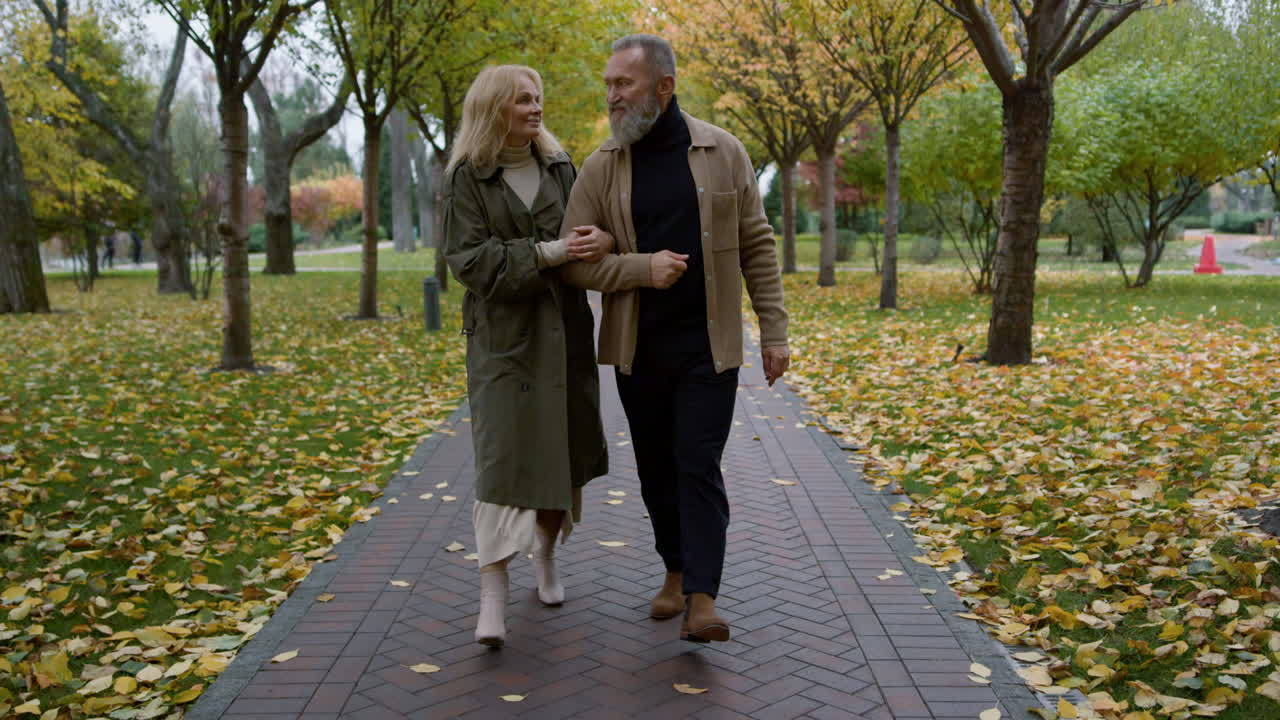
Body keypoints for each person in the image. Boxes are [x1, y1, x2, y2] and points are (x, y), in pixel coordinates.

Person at [558, 34, 790, 644]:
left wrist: (774, 330)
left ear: (664, 86)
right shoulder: (602, 165)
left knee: (697, 462)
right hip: (639, 347)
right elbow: (573, 262)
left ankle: (703, 599)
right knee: (658, 468)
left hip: (707, 346)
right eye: (609, 83)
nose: (611, 95)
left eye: (623, 83)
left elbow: (757, 245)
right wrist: (641, 268)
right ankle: (674, 569)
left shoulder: (723, 151)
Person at [442, 65, 613, 648]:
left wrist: (599, 243)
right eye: (522, 100)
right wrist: (547, 253)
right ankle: (492, 596)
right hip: (503, 346)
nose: (536, 108)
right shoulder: (467, 177)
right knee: (502, 465)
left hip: (563, 338)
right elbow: (470, 261)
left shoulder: (562, 167)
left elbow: (594, 231)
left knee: (558, 460)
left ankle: (546, 555)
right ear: (494, 109)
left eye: (538, 97)